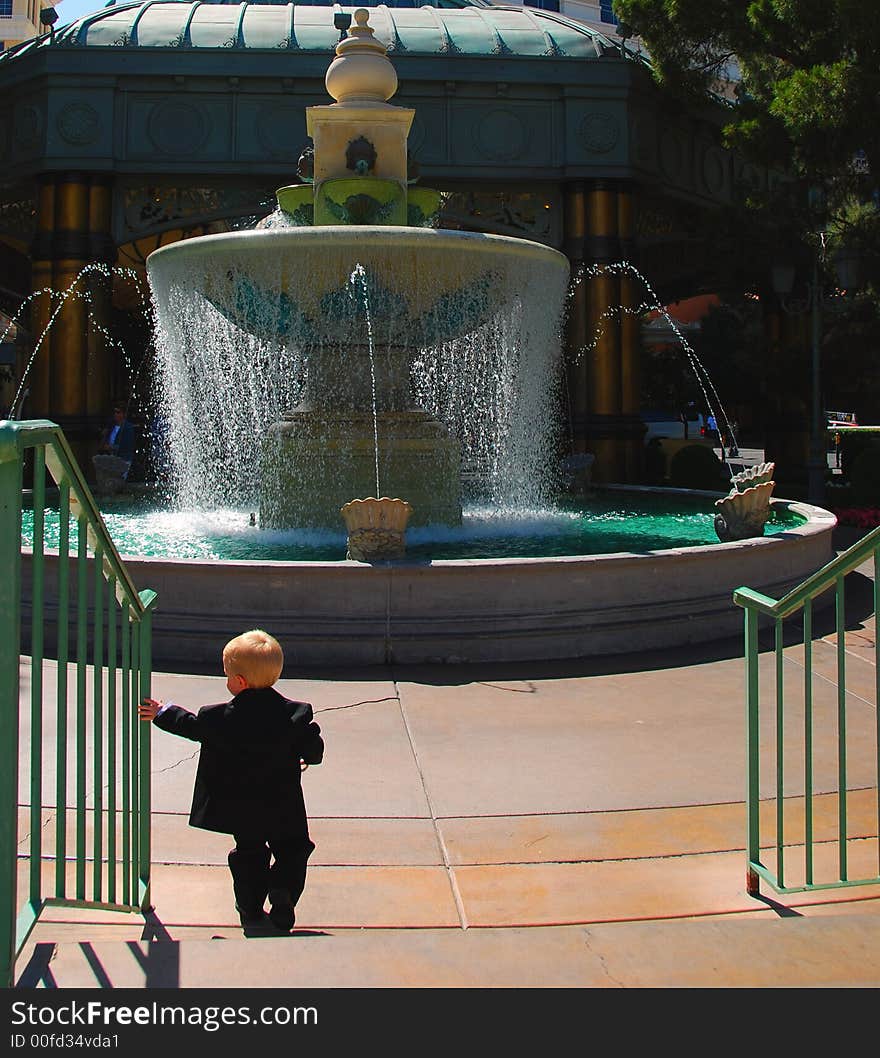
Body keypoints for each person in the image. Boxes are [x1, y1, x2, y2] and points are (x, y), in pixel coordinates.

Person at [139, 629, 324, 934]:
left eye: (227, 675)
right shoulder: (295, 715)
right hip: (284, 803)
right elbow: (314, 750)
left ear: (239, 682)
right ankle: (284, 892)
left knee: (249, 853)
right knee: (294, 849)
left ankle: (250, 909)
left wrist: (161, 712)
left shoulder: (219, 718)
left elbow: (191, 726)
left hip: (242, 807)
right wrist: (305, 756)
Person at [93, 403, 135, 492]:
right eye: (114, 412)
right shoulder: (111, 426)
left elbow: (127, 444)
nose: (116, 415)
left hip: (123, 458)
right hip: (112, 456)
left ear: (123, 414)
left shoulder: (128, 427)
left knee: (120, 478)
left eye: (118, 412)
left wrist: (111, 447)